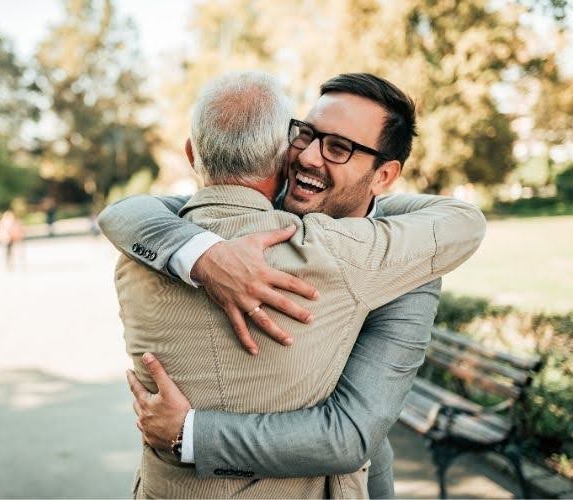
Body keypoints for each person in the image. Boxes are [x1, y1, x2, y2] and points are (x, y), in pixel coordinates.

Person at [106, 71, 486, 498]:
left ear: (383, 176)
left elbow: (349, 435)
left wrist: (190, 433)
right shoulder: (233, 220)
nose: (306, 157)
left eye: (339, 148)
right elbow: (128, 212)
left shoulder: (405, 269)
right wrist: (204, 256)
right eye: (305, 135)